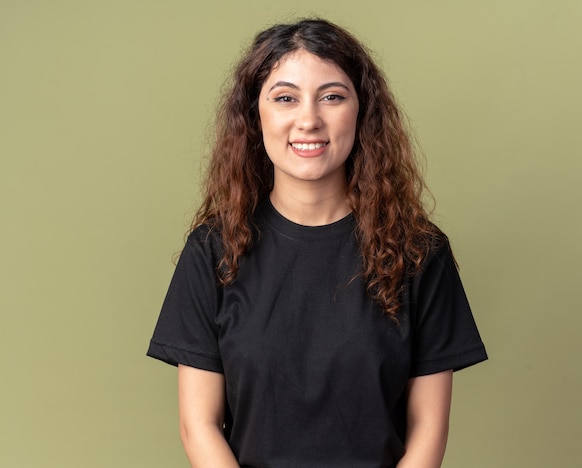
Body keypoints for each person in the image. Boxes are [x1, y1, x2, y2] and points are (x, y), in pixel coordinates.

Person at [147, 18, 487, 468]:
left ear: (361, 111)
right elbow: (199, 427)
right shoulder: (213, 250)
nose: (308, 120)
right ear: (256, 115)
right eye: (285, 98)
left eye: (332, 96)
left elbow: (428, 428)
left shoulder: (419, 252)